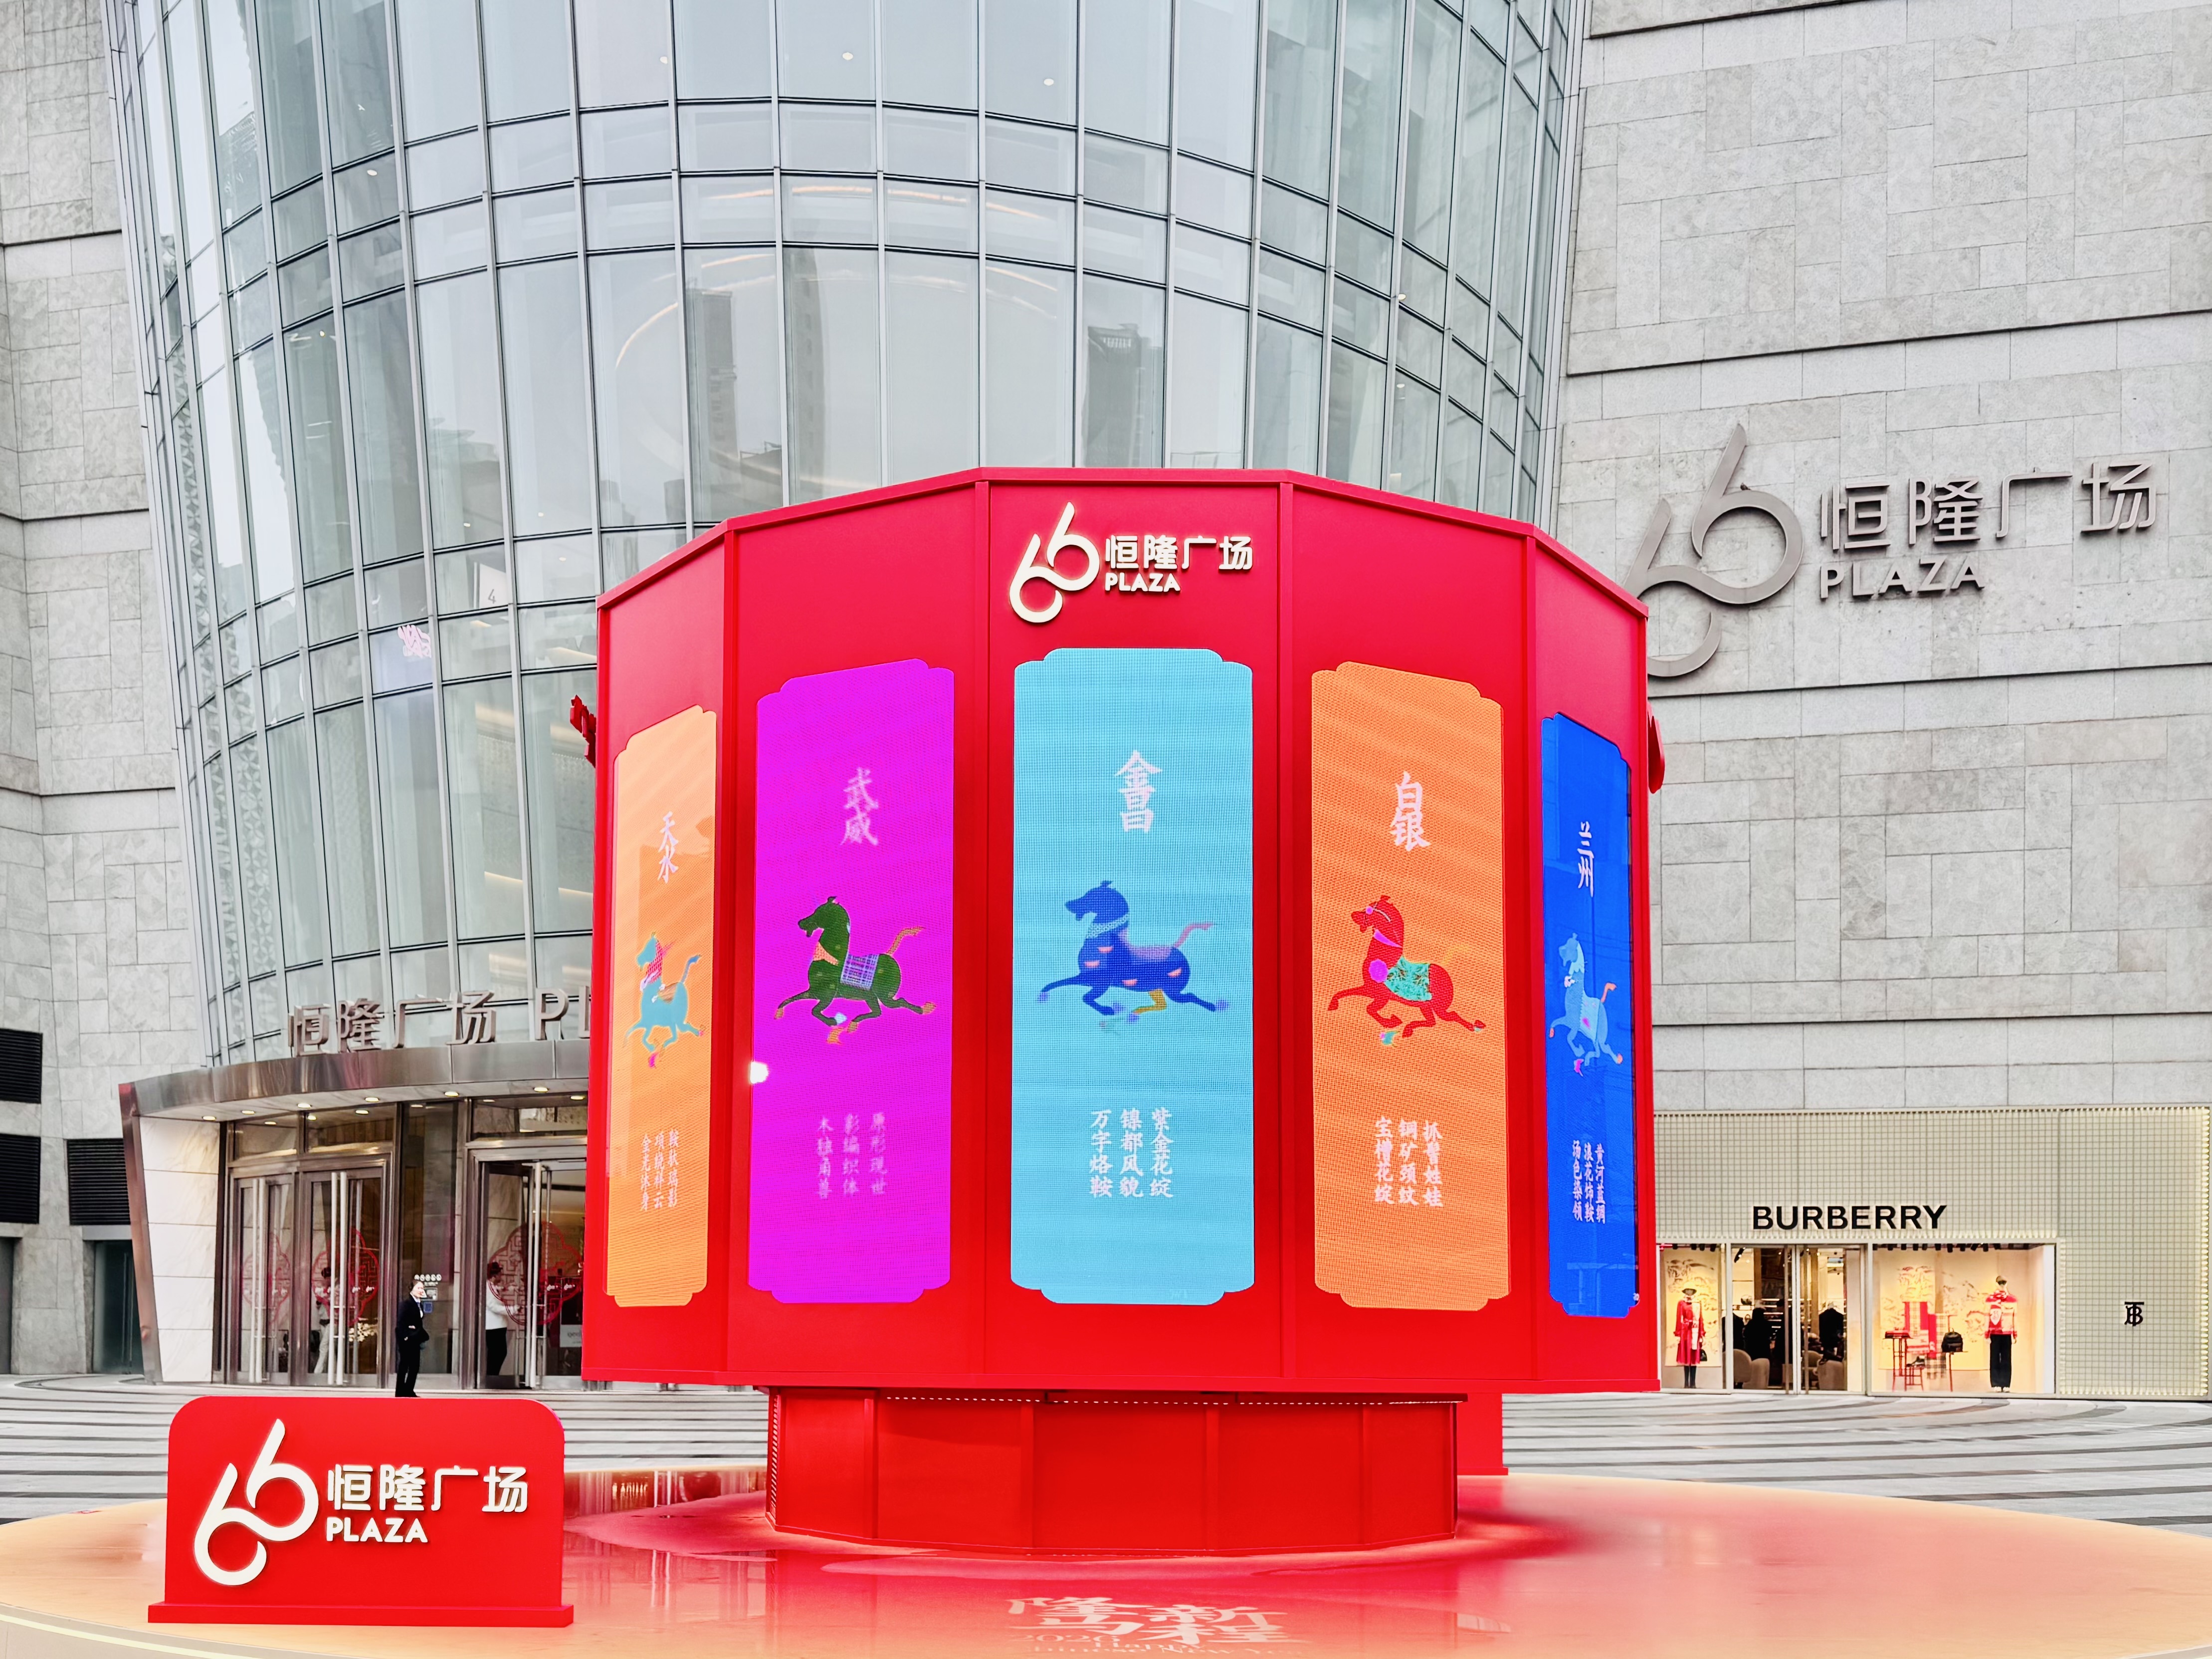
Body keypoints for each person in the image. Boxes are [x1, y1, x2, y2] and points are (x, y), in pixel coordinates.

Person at [395, 1277, 428, 1397]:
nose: (421, 1290)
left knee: (415, 1366)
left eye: (422, 1288)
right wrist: (406, 1336)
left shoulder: (420, 1304)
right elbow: (401, 1323)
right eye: (419, 1288)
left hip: (416, 1339)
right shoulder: (406, 1304)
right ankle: (400, 1391)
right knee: (404, 1365)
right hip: (407, 1340)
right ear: (412, 1289)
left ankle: (409, 1390)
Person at [484, 1262, 514, 1384]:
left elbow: (496, 1291)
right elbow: (493, 1306)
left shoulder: (491, 1286)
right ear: (495, 1275)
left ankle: (492, 1376)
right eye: (500, 1274)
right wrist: (512, 1310)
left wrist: (506, 1288)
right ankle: (491, 1377)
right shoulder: (488, 1287)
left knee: (497, 1353)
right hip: (494, 1327)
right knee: (498, 1354)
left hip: (496, 1326)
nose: (501, 1277)